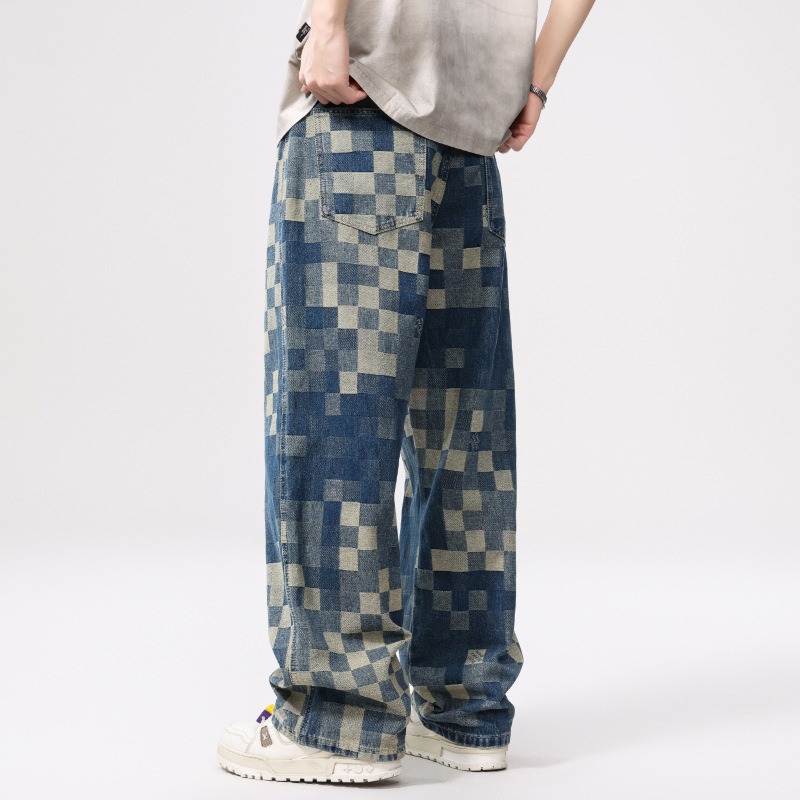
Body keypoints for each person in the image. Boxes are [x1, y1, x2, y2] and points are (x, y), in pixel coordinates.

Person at [217, 0, 597, 784]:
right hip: (473, 127)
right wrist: (535, 80)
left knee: (334, 425)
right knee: (465, 433)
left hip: (366, 102)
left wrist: (328, 23)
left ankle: (337, 717)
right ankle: (463, 706)